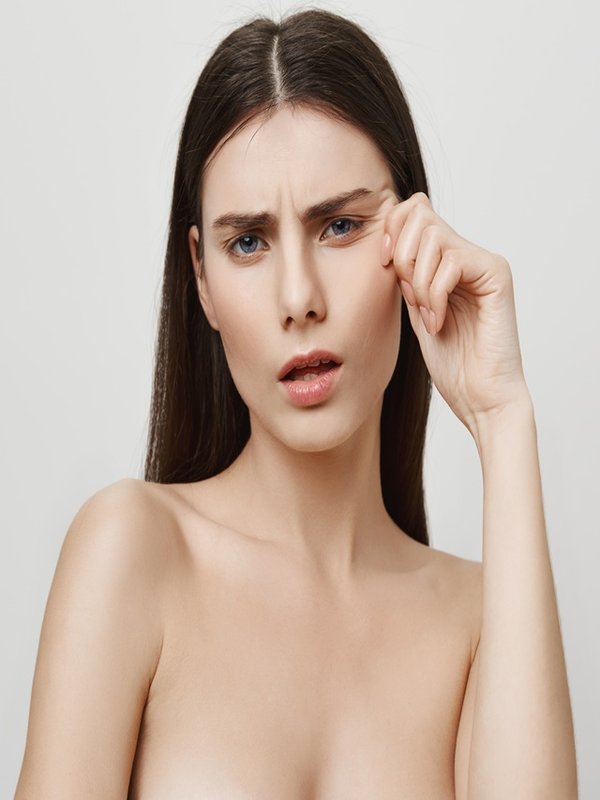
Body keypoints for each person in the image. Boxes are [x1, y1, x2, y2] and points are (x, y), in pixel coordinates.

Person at [15, 8, 577, 798]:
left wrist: (502, 417)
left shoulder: (481, 623)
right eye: (248, 242)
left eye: (340, 225)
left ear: (415, 239)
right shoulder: (133, 550)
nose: (298, 298)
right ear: (201, 277)